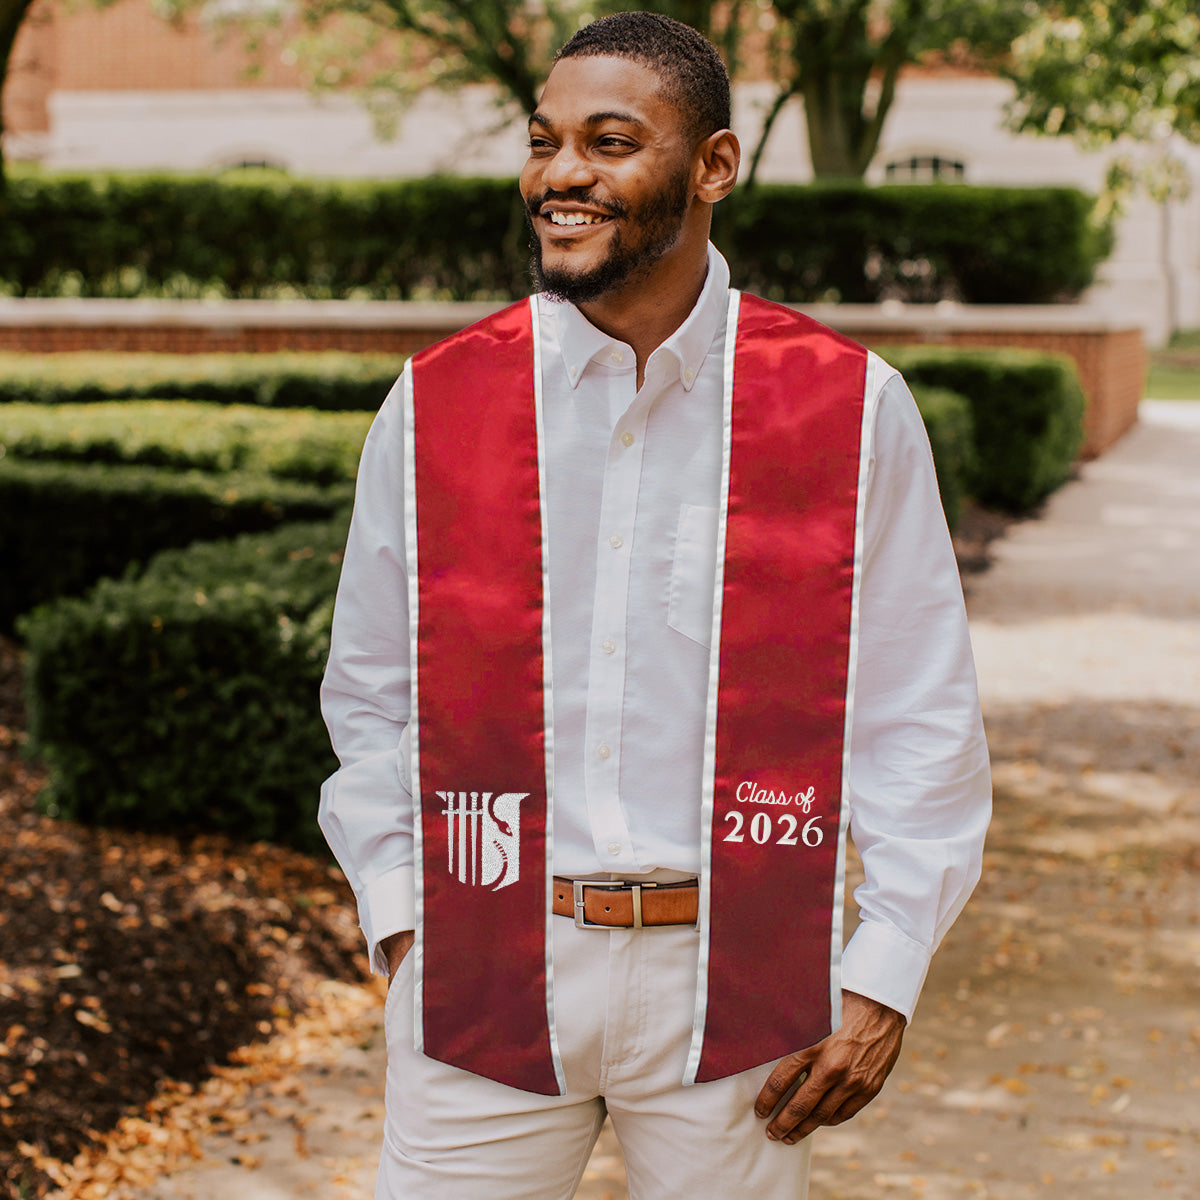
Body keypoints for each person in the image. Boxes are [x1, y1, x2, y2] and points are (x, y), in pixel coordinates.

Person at [319, 11, 991, 1199]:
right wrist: (403, 921)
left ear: (714, 165)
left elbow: (917, 704)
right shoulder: (433, 404)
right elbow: (372, 690)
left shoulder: (847, 408)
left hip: (741, 984)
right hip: (482, 967)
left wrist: (883, 972)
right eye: (544, 141)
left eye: (610, 141)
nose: (561, 174)